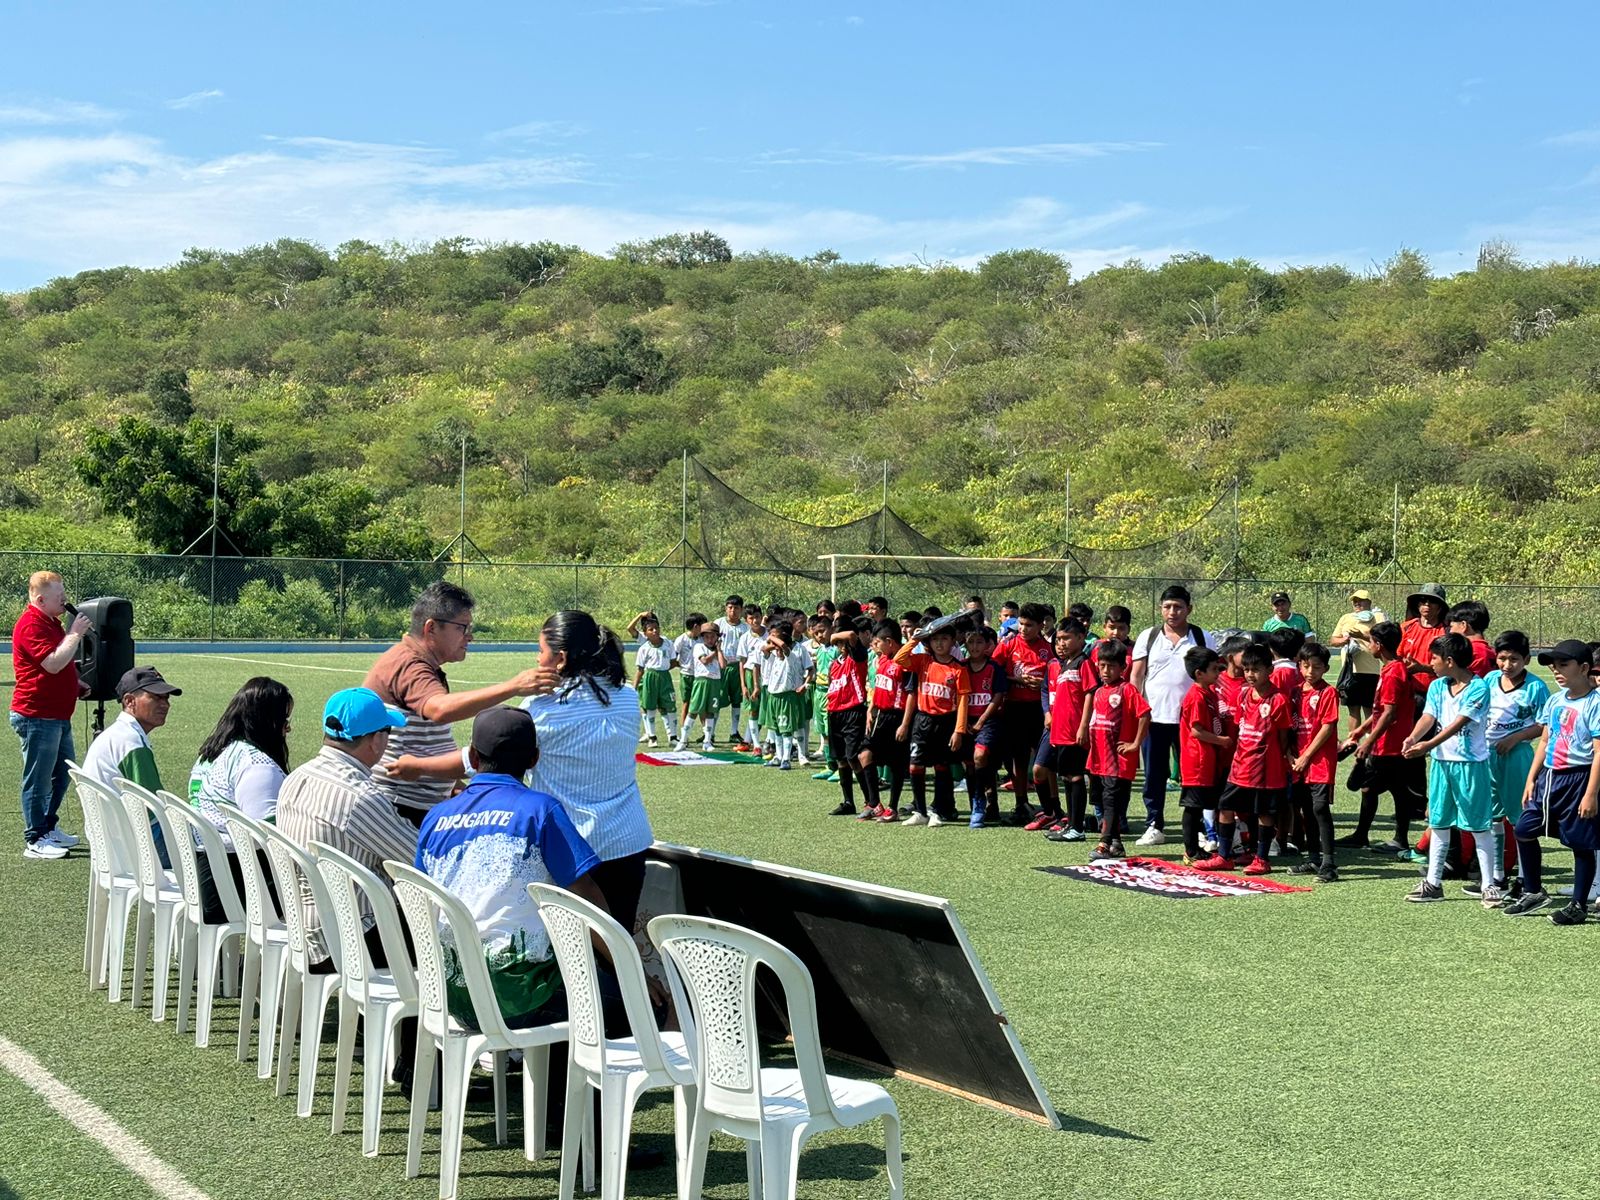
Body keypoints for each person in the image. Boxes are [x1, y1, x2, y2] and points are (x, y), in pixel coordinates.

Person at [416, 706, 608, 1028]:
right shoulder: (540, 810)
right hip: (520, 999)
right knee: (646, 1004)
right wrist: (628, 967)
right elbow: (584, 894)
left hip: (450, 995)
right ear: (534, 759)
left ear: (473, 757)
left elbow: (420, 899)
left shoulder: (436, 817)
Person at [365, 581, 542, 826]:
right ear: (431, 628)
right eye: (462, 627)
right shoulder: (410, 665)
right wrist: (513, 686)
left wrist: (453, 787)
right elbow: (440, 709)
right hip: (402, 807)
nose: (469, 636)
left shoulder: (411, 660)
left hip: (415, 803)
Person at [275, 687, 414, 970]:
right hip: (348, 937)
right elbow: (418, 858)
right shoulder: (359, 796)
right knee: (450, 938)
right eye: (387, 732)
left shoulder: (296, 777)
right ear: (376, 740)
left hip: (304, 929)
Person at [1504, 640, 1600, 923]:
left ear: (1584, 668)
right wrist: (1531, 779)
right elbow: (1545, 740)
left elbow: (1598, 752)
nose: (1556, 671)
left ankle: (1579, 905)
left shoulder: (1595, 704)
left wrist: (1591, 793)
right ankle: (1534, 891)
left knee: (1581, 843)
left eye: (1563, 665)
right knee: (1524, 829)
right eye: (1554, 666)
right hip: (1550, 777)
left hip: (1579, 778)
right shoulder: (1555, 700)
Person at [1401, 633, 1499, 904]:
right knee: (1439, 822)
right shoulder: (1437, 686)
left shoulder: (1478, 688)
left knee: (1479, 826)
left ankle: (1489, 885)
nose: (1430, 662)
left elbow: (1460, 722)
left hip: (1470, 766)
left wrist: (1428, 744)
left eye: (1434, 657)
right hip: (1442, 765)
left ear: (1450, 660)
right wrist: (1413, 737)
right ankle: (1433, 883)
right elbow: (1429, 716)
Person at [188, 676, 294, 922]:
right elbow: (273, 837)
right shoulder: (255, 765)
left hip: (204, 875)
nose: (287, 729)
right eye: (284, 720)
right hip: (231, 886)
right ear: (267, 721)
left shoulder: (211, 754)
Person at [11, 570, 90, 860]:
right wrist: (75, 634)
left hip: (56, 715)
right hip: (37, 715)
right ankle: (35, 838)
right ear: (41, 600)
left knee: (62, 774)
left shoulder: (51, 623)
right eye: (60, 596)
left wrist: (75, 684)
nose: (65, 601)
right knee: (38, 780)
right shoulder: (31, 624)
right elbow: (53, 663)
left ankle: (47, 826)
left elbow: (59, 664)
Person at [1129, 585, 1212, 845]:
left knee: (1193, 775)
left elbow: (1213, 676)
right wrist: (1137, 710)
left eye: (1178, 607)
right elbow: (1136, 676)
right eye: (1167, 607)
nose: (1172, 612)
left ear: (1189, 609)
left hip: (1192, 722)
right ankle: (1154, 825)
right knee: (1154, 775)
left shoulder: (1202, 637)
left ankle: (1198, 828)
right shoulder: (1149, 636)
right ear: (1160, 608)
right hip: (1154, 719)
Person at [1197, 644, 1291, 874]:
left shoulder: (1279, 699)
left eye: (1256, 669)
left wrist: (1275, 756)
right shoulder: (1244, 694)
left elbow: (1283, 736)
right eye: (1247, 669)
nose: (1250, 674)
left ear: (1270, 670)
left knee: (1264, 813)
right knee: (1225, 807)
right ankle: (1224, 856)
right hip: (1240, 765)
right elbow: (1241, 727)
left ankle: (1262, 859)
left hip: (1266, 768)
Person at [80, 666, 183, 866]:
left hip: (111, 841)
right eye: (156, 697)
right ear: (129, 701)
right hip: (131, 846)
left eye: (166, 698)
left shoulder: (120, 734)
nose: (165, 704)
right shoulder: (130, 741)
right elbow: (153, 807)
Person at [1338, 621, 1424, 853]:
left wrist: (1369, 741)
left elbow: (1389, 713)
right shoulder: (1395, 668)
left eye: (1371, 642)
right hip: (1395, 742)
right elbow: (1381, 711)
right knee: (1396, 789)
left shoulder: (1393, 673)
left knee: (1373, 787)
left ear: (1379, 645)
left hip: (1389, 744)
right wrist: (1361, 729)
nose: (1369, 646)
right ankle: (1386, 837)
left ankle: (1371, 837)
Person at [1480, 631, 1548, 898]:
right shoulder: (1489, 680)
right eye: (1502, 658)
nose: (1507, 665)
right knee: (1493, 815)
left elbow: (1544, 725)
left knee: (1520, 815)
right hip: (1487, 755)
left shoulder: (1536, 687)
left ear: (1527, 659)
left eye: (1514, 659)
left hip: (1517, 755)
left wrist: (1515, 738)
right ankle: (1498, 875)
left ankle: (1524, 878)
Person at [1077, 640, 1149, 861]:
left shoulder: (1127, 690)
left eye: (1111, 666)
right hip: (1099, 759)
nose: (1106, 671)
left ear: (1123, 668)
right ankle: (1116, 843)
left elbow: (1145, 714)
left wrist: (1135, 744)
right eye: (1102, 666)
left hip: (1118, 761)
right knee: (1103, 800)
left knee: (1111, 801)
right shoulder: (1099, 691)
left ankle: (1104, 843)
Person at [894, 621, 971, 827]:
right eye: (935, 639)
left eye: (944, 639)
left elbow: (963, 701)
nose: (939, 643)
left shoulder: (958, 669)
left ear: (953, 641)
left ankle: (937, 810)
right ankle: (920, 811)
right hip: (922, 721)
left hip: (945, 722)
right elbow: (899, 659)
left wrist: (959, 730)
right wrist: (914, 639)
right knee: (915, 765)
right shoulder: (923, 661)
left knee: (941, 766)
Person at [1030, 618, 1095, 834]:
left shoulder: (1083, 663)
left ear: (1081, 637)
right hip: (1060, 732)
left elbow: (1090, 693)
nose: (1061, 643)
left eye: (1067, 638)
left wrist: (1083, 726)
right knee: (1066, 777)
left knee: (1076, 777)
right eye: (1058, 639)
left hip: (1075, 732)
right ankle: (1070, 823)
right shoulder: (1063, 665)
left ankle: (1077, 828)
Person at [992, 602, 1053, 826]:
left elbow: (1055, 676)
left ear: (1041, 626)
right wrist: (1016, 679)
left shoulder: (1048, 649)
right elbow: (993, 672)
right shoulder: (1008, 645)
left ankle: (1051, 806)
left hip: (1040, 709)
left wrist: (1042, 683)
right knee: (1019, 758)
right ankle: (1021, 803)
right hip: (1014, 708)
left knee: (1045, 760)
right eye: (1021, 624)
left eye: (1029, 625)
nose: (1024, 629)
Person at [1287, 643, 1341, 881]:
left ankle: (1329, 864)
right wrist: (1289, 754)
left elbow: (1327, 727)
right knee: (1306, 809)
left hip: (1319, 761)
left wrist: (1306, 756)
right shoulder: (1294, 692)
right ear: (1299, 665)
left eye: (1317, 667)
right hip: (1297, 761)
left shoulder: (1328, 692)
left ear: (1326, 668)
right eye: (1306, 666)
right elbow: (1287, 726)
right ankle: (1313, 858)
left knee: (1320, 808)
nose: (1310, 671)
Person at [823, 613, 881, 818]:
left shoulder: (858, 656)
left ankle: (871, 802)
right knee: (841, 760)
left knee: (854, 758)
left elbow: (851, 636)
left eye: (842, 641)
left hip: (853, 712)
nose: (841, 645)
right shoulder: (834, 664)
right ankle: (848, 802)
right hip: (834, 714)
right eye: (838, 643)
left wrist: (836, 636)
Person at [1176, 646, 1229, 865]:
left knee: (1203, 804)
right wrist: (1222, 740)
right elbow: (1196, 731)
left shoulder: (1209, 693)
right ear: (1199, 673)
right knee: (1193, 807)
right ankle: (1190, 850)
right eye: (1214, 669)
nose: (1218, 673)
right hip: (1196, 761)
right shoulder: (1196, 696)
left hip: (1207, 760)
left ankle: (1198, 847)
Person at [863, 621, 912, 821]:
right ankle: (875, 803)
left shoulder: (904, 663)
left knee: (896, 764)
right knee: (865, 755)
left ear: (890, 642)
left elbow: (911, 694)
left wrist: (905, 724)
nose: (876, 646)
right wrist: (871, 708)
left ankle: (892, 807)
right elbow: (879, 686)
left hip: (897, 717)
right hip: (881, 716)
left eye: (878, 642)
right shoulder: (883, 659)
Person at [961, 625, 1007, 828]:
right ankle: (977, 804)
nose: (975, 646)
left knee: (980, 757)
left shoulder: (993, 668)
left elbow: (997, 696)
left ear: (988, 645)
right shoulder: (961, 667)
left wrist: (981, 721)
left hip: (987, 721)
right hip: (965, 721)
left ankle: (980, 804)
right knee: (970, 764)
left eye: (979, 642)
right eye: (971, 642)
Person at [1329, 590, 1388, 725]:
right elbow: (1333, 640)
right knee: (1353, 709)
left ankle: (1371, 738)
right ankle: (1353, 738)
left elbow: (1383, 638)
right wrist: (1343, 640)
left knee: (1369, 710)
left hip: (1370, 671)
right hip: (1349, 672)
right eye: (1354, 600)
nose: (1357, 603)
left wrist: (1361, 636)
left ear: (1369, 602)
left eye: (1360, 600)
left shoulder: (1377, 616)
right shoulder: (1346, 617)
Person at [758, 624, 807, 770]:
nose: (777, 651)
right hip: (773, 697)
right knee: (777, 730)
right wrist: (773, 645)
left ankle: (786, 759)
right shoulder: (774, 657)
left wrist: (772, 637)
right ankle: (779, 757)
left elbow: (784, 646)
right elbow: (764, 649)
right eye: (776, 649)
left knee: (786, 729)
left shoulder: (790, 657)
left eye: (779, 649)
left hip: (786, 697)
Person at [628, 613, 677, 747]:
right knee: (649, 707)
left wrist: (663, 669)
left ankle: (673, 737)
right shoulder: (644, 647)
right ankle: (652, 737)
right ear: (645, 633)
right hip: (650, 678)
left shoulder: (668, 643)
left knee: (670, 706)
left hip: (665, 678)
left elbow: (673, 661)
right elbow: (640, 669)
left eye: (657, 628)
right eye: (651, 629)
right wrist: (634, 687)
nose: (655, 631)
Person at [676, 623, 726, 751]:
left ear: (717, 637)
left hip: (715, 682)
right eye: (707, 637)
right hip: (701, 681)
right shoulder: (699, 647)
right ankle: (683, 740)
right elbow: (705, 660)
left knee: (710, 712)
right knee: (693, 710)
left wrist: (719, 650)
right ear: (702, 637)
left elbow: (723, 665)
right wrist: (716, 652)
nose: (710, 640)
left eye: (713, 637)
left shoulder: (718, 650)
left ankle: (707, 741)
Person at [1398, 583, 1448, 695]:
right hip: (1407, 691)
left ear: (1440, 607)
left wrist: (1422, 668)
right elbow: (1397, 656)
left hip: (1435, 693)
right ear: (1418, 604)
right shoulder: (1406, 627)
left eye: (1432, 601)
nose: (1427, 604)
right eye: (1423, 600)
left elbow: (1449, 666)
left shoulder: (1446, 632)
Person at [714, 595, 747, 741]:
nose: (733, 611)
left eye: (736, 608)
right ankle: (711, 733)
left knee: (736, 700)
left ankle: (734, 732)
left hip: (738, 667)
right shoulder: (718, 624)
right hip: (721, 667)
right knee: (717, 700)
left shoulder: (745, 628)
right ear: (726, 608)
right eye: (730, 607)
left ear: (741, 610)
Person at [1446, 601, 1495, 678]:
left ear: (1463, 625)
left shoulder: (1475, 651)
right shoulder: (1489, 650)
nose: (1450, 631)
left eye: (1451, 626)